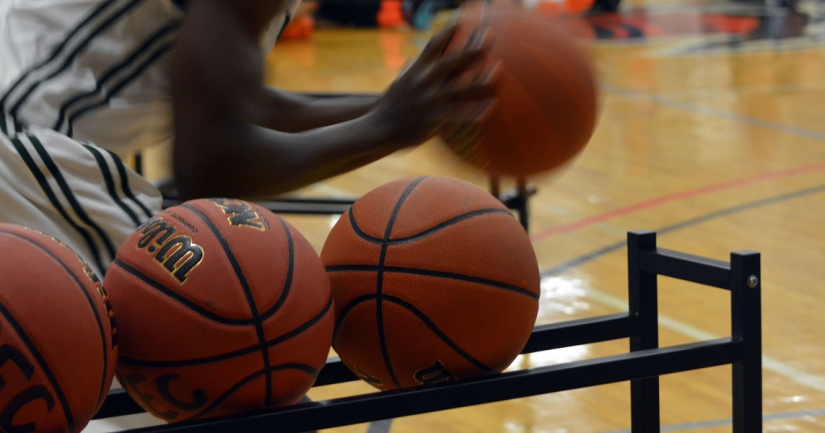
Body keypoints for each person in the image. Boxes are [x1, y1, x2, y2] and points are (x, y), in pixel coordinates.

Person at [0, 0, 497, 277]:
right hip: (24, 149)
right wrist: (386, 127)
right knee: (188, 352)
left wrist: (393, 109)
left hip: (28, 134)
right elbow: (212, 165)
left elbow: (236, 103)